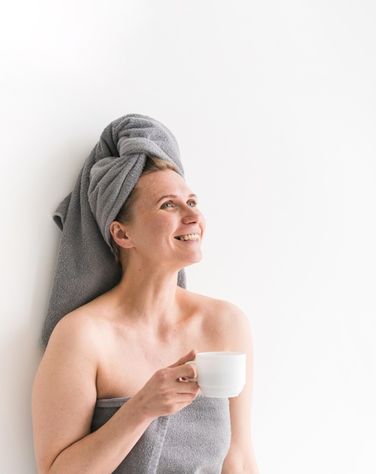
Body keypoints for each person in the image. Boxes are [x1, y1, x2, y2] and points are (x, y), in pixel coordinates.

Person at [31, 154, 259, 473]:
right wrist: (140, 409)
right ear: (123, 234)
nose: (193, 215)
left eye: (192, 201)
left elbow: (239, 458)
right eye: (169, 205)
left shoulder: (225, 324)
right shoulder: (83, 336)